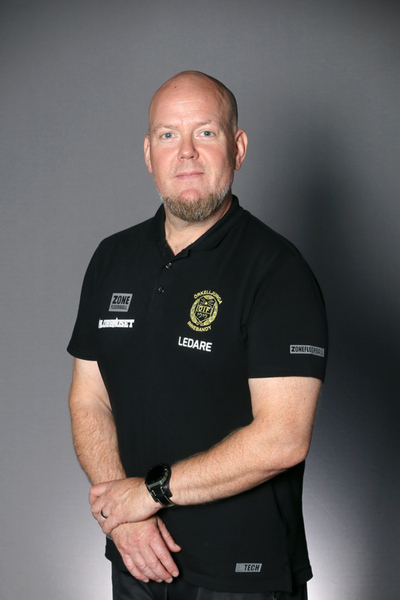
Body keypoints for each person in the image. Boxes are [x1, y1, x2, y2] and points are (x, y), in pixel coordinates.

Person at [67, 71, 328, 600]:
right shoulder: (112, 258)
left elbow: (283, 438)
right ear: (149, 153)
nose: (185, 151)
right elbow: (88, 399)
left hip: (244, 578)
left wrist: (149, 493)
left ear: (238, 147)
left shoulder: (276, 270)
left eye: (205, 132)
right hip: (137, 562)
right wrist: (124, 519)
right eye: (168, 135)